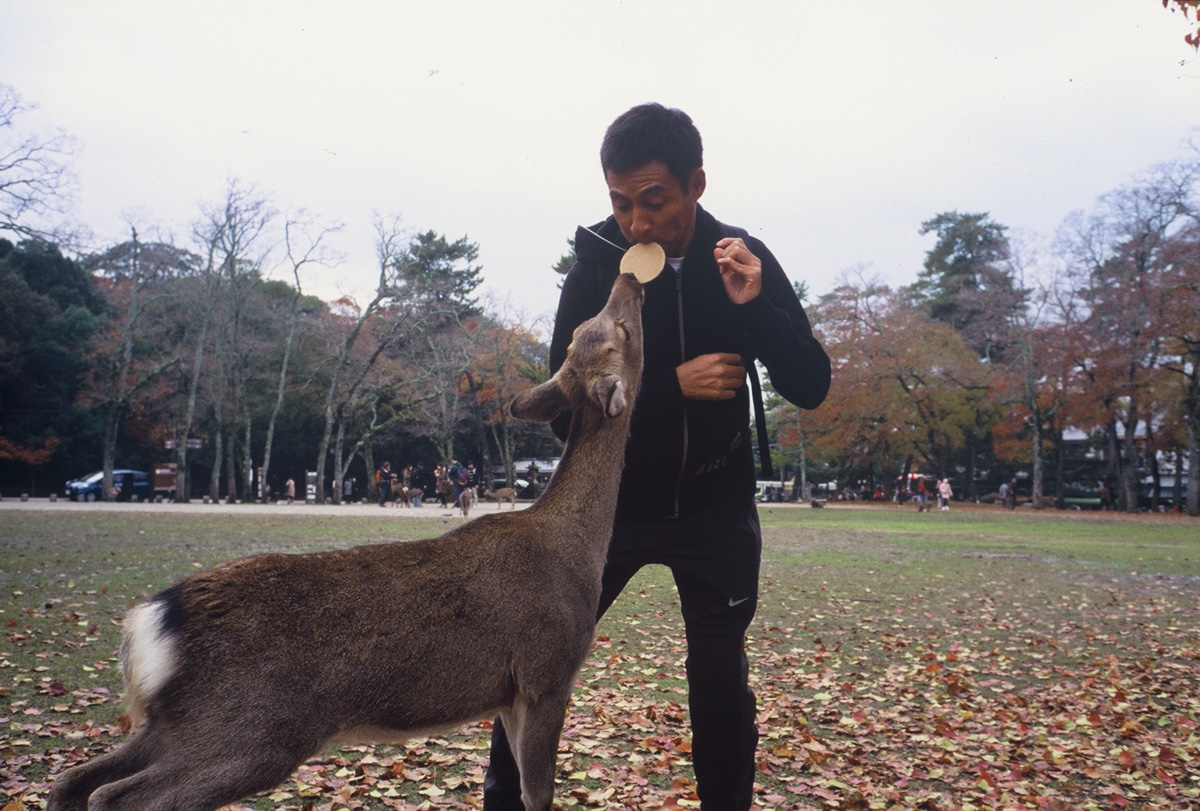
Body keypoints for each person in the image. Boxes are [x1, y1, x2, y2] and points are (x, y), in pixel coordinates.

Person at [483, 103, 830, 811]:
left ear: (695, 184)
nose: (636, 223)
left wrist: (757, 308)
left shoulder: (740, 256)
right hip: (608, 512)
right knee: (535, 666)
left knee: (718, 678)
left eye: (654, 201)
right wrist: (671, 387)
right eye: (619, 201)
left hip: (716, 505)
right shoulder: (593, 271)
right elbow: (563, 416)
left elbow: (812, 384)